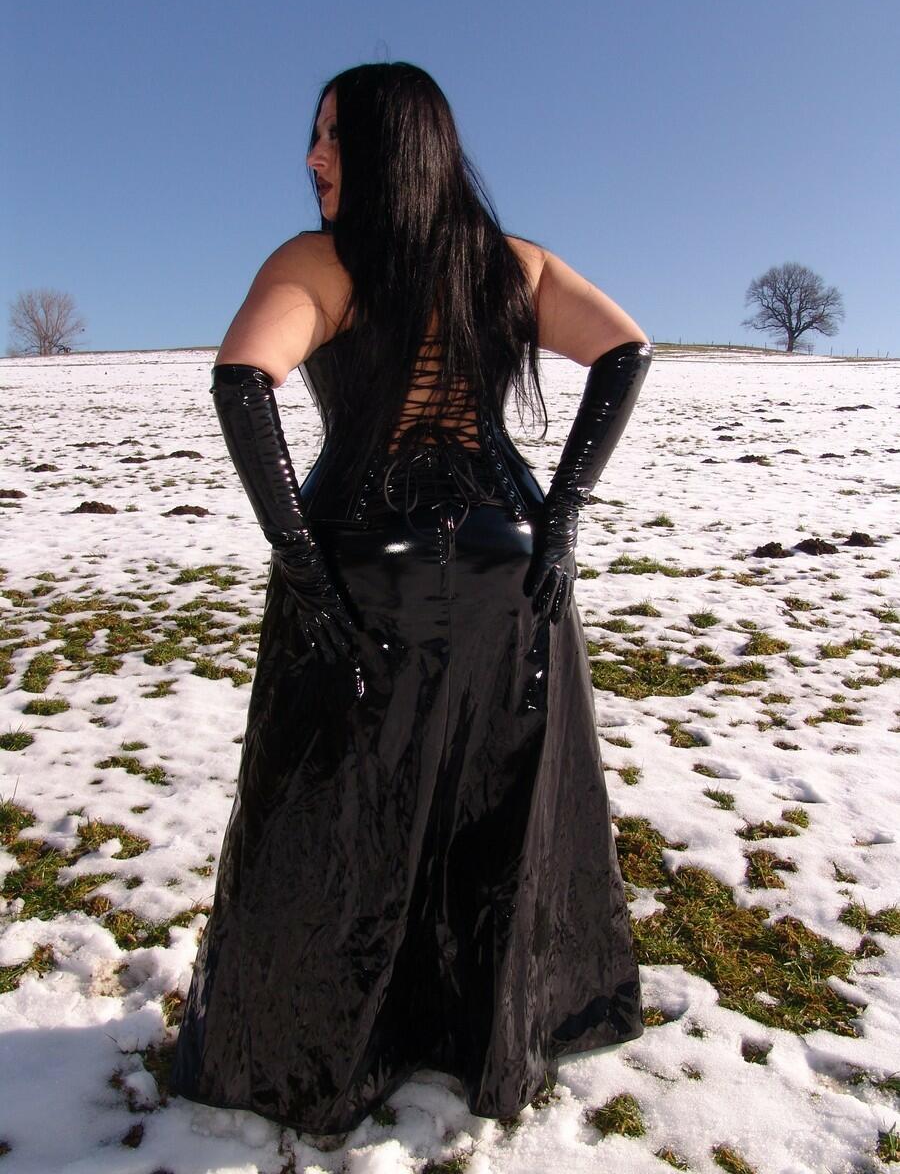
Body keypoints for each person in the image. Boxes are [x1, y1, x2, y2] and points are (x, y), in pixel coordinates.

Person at [169, 61, 653, 1143]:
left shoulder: (321, 262)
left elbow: (243, 379)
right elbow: (625, 348)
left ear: (394, 146)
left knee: (331, 799)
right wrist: (562, 515)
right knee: (492, 793)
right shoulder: (512, 263)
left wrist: (300, 562)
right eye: (315, 134)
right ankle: (476, 1036)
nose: (312, 156)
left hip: (361, 556)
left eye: (334, 135)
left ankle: (308, 1053)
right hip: (505, 557)